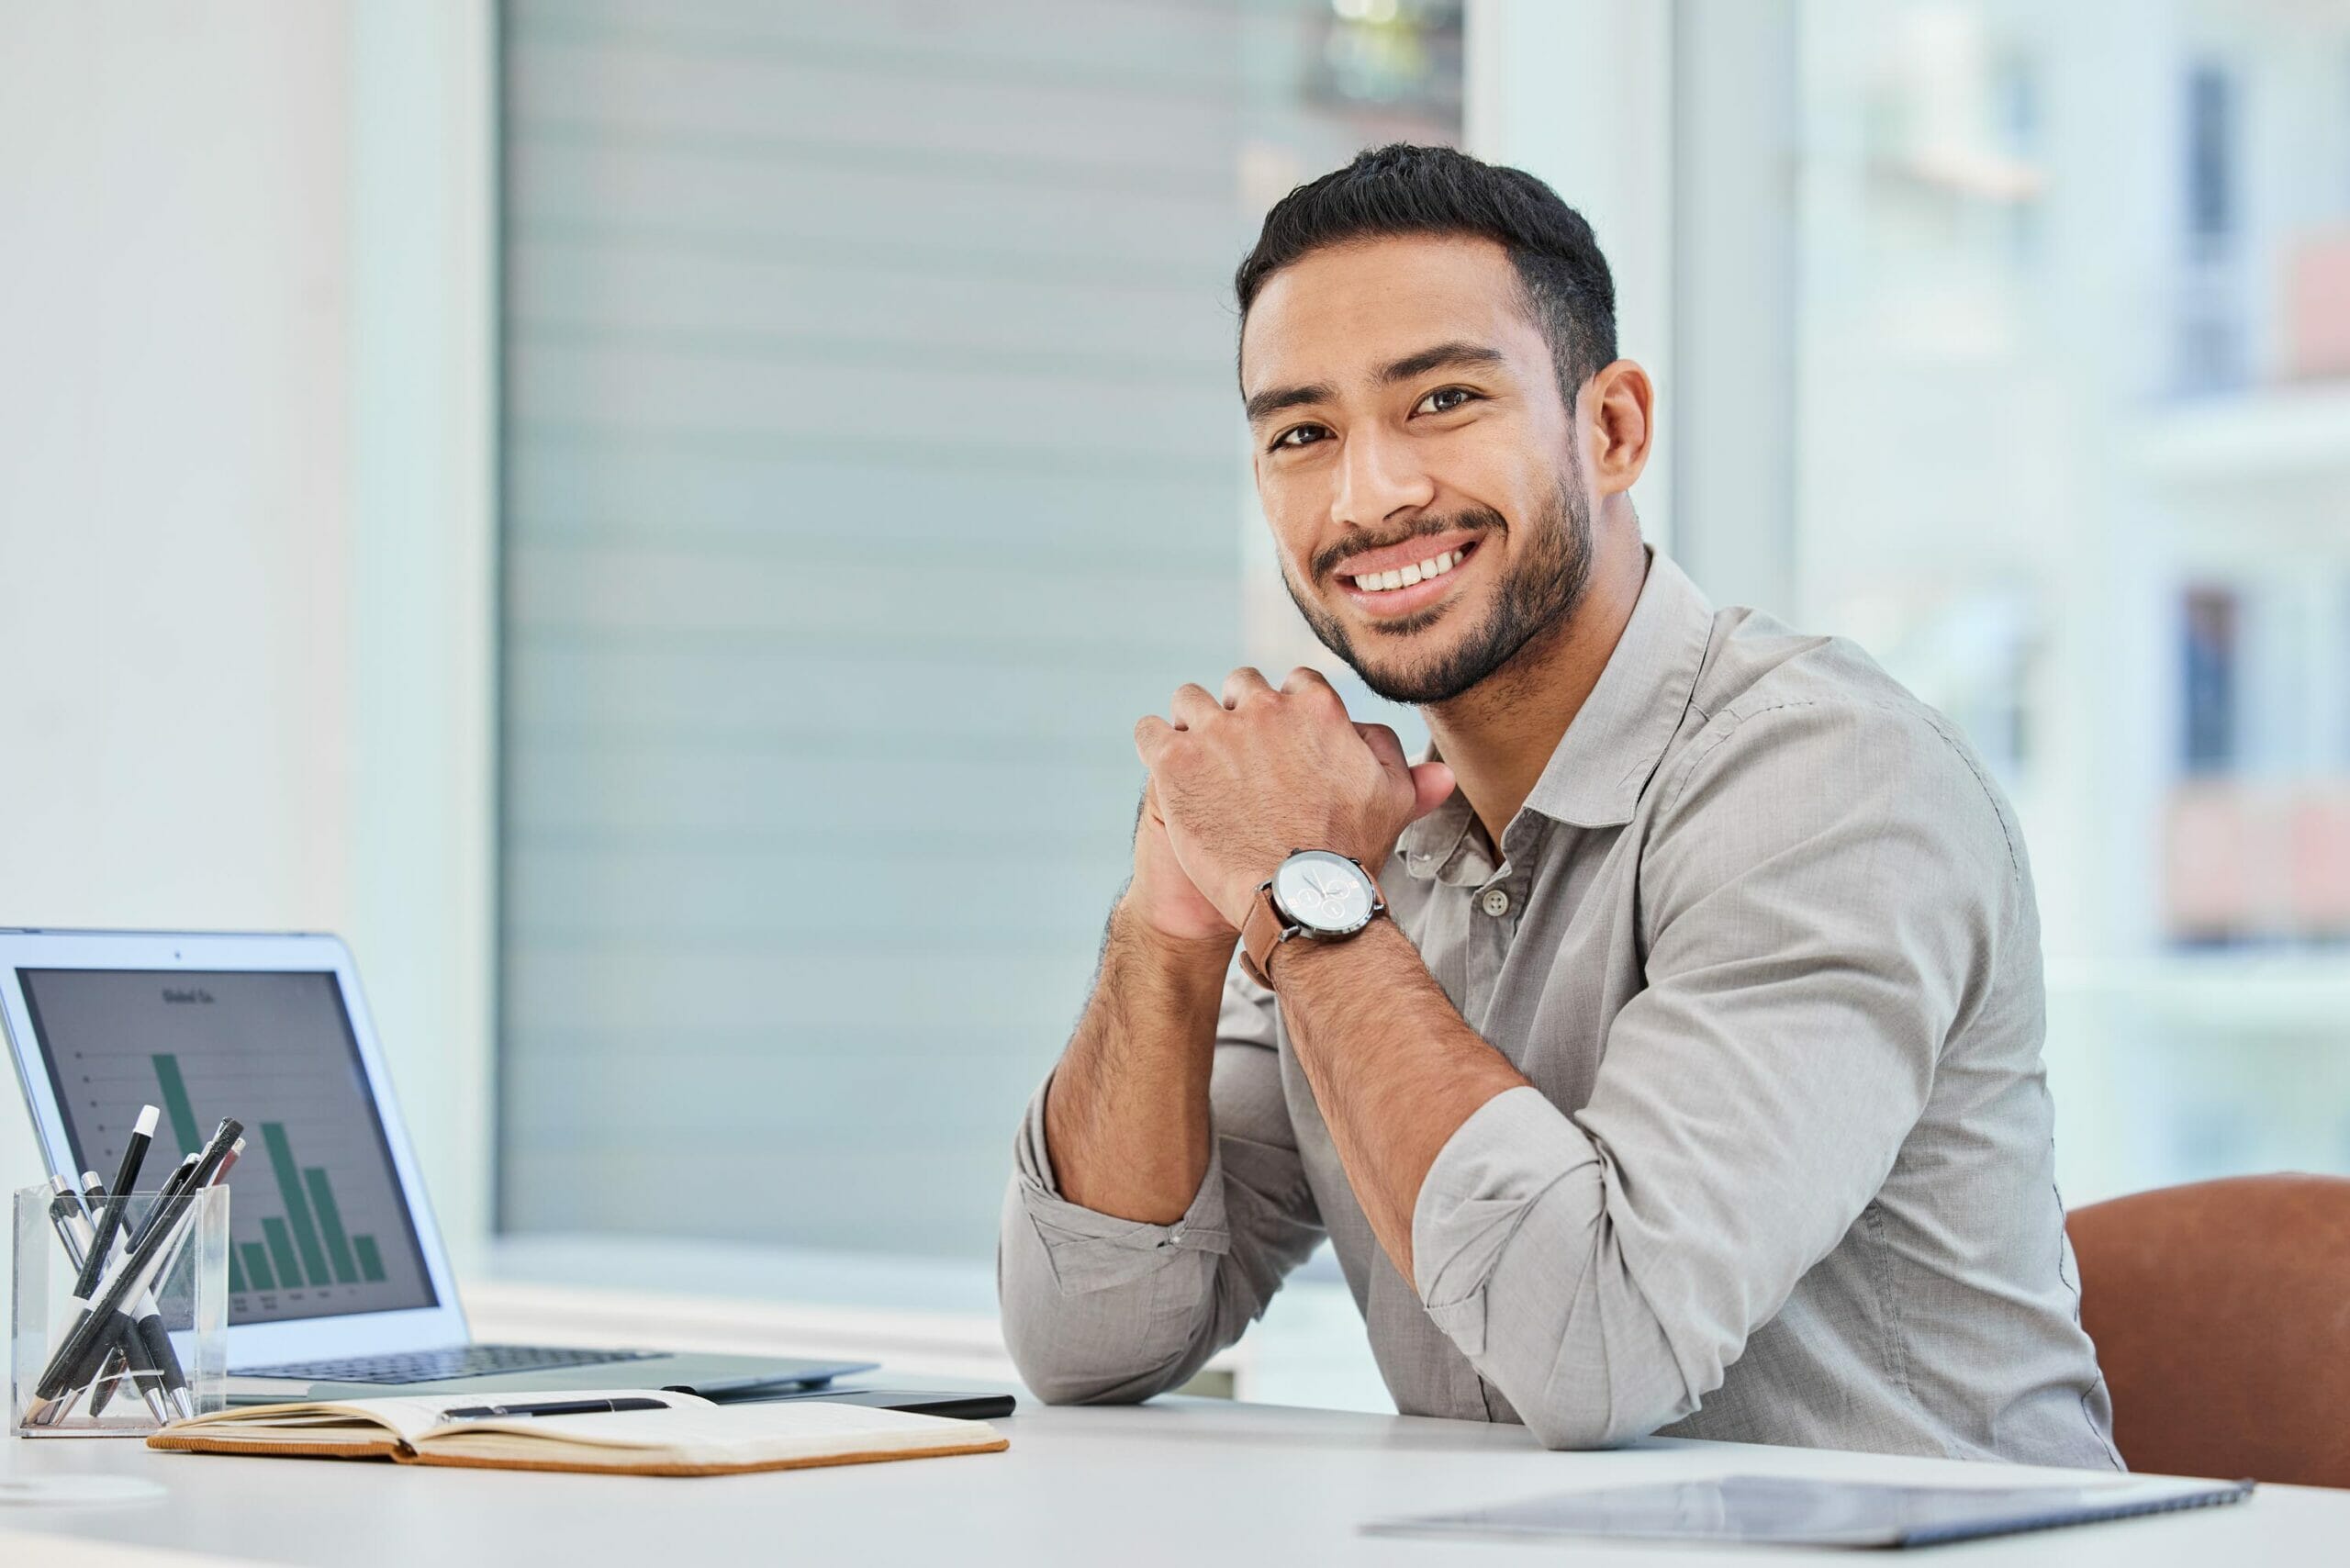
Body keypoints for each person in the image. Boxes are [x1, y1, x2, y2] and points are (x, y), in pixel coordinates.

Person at [996, 144, 2118, 1465]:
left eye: (1443, 400)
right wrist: (1172, 926)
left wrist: (1306, 897)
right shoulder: (1351, 836)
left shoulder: (1832, 782)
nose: (1369, 494)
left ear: (1614, 428)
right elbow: (1089, 1339)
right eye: (1303, 434)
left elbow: (1600, 1349)